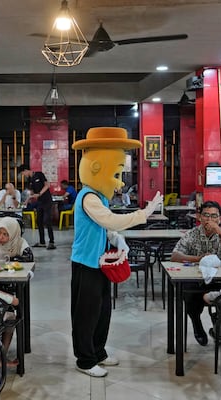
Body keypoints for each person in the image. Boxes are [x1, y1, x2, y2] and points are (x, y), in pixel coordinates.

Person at [70, 127, 163, 377]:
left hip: (100, 263)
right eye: (116, 173)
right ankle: (85, 360)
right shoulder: (88, 197)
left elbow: (104, 227)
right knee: (86, 314)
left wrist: (114, 238)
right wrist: (143, 214)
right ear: (96, 167)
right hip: (85, 263)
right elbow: (110, 220)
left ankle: (98, 352)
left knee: (102, 310)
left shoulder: (99, 195)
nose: (120, 180)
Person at [170, 200, 221, 346]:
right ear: (199, 217)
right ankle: (196, 324)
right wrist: (198, 258)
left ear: (220, 219)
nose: (210, 220)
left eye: (214, 216)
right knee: (188, 296)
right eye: (206, 215)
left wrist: (220, 234)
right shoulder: (192, 234)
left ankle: (219, 326)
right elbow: (175, 255)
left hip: (220, 282)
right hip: (196, 281)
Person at [19, 164, 56, 250]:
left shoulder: (39, 174)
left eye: (23, 173)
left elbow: (47, 185)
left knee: (47, 220)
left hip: (47, 200)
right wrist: (27, 200)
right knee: (39, 221)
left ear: (26, 170)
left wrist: (39, 194)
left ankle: (51, 242)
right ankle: (42, 242)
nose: (23, 175)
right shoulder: (29, 180)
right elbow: (31, 192)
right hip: (39, 202)